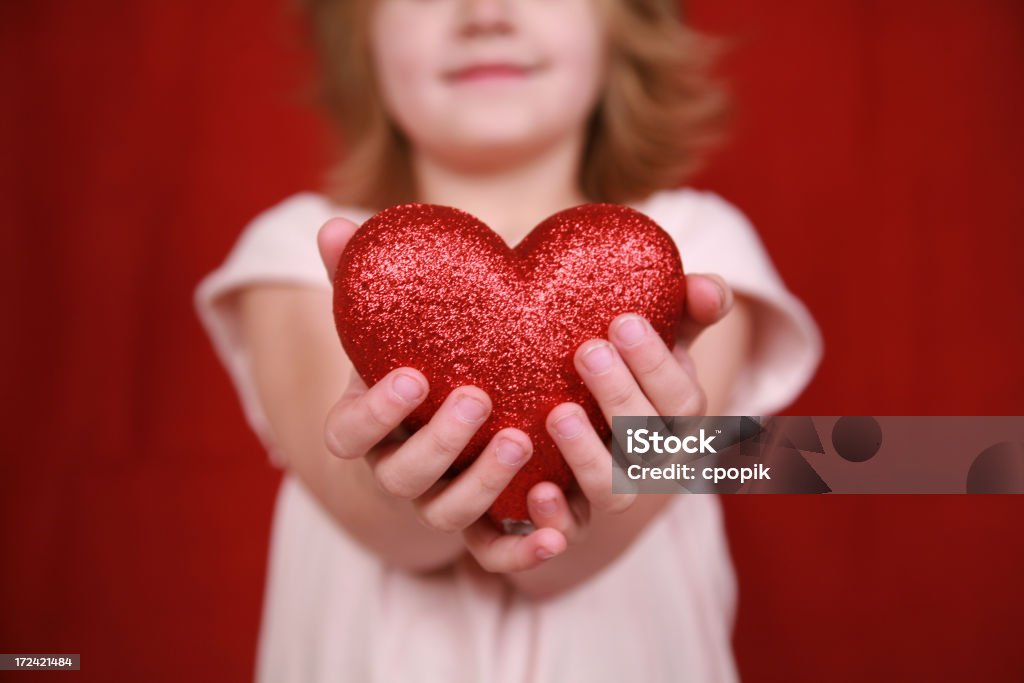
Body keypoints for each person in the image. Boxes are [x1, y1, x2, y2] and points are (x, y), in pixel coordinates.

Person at [194, 0, 824, 680]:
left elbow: (583, 552)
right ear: (359, 38)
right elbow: (367, 515)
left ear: (626, 24)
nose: (485, 13)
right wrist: (398, 481)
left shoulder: (693, 248)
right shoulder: (302, 253)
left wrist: (614, 479)